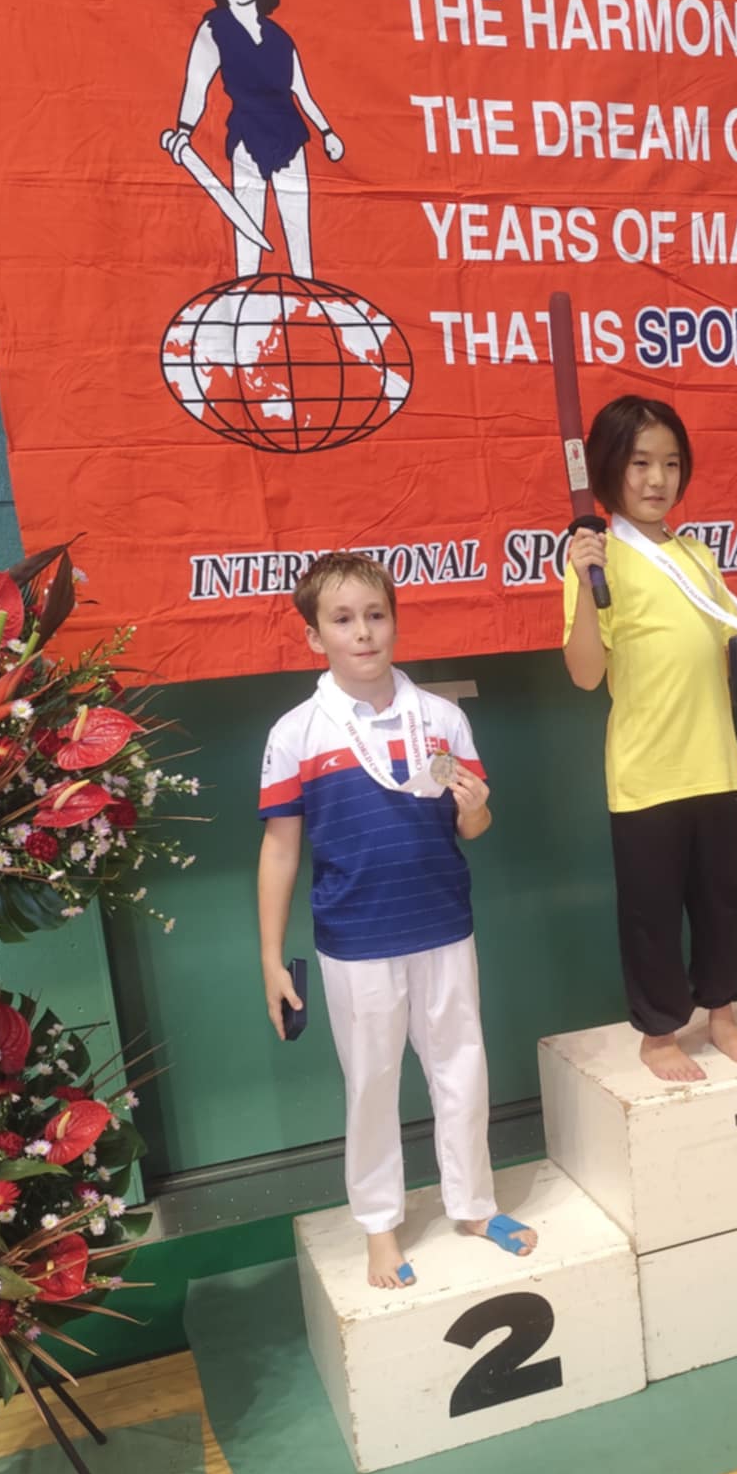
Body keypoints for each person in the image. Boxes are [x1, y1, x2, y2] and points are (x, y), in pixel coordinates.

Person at [257, 552, 534, 1289]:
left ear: (396, 623)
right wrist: (269, 959)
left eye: (376, 615)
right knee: (372, 1083)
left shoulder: (442, 719)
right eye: (343, 619)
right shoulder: (297, 732)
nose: (363, 633)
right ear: (314, 636)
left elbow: (473, 825)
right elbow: (280, 850)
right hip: (355, 939)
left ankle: (472, 1205)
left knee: (462, 1067)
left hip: (443, 924)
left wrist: (477, 810)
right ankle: (380, 1225)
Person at [563, 397, 737, 1082]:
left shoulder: (697, 555)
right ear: (609, 470)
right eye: (640, 463)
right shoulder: (596, 562)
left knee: (718, 902)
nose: (657, 479)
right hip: (645, 773)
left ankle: (721, 1012)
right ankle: (659, 1033)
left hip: (715, 763)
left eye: (671, 464)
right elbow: (584, 674)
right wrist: (583, 580)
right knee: (651, 913)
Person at [164, 0, 342, 277]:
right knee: (247, 238)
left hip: (290, 138)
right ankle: (246, 296)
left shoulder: (280, 37)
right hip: (247, 138)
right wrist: (184, 130)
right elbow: (196, 85)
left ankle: (307, 297)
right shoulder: (214, 28)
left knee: (298, 234)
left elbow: (301, 92)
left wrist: (327, 132)